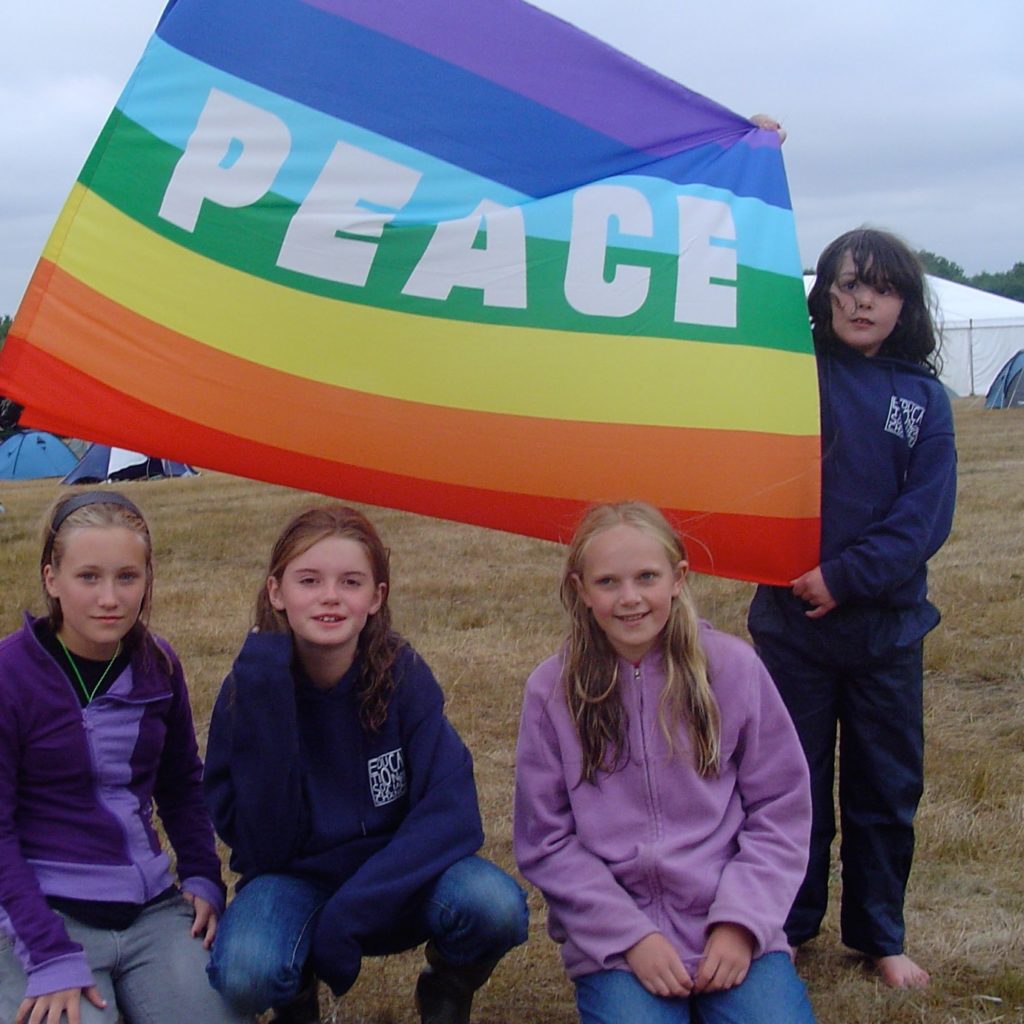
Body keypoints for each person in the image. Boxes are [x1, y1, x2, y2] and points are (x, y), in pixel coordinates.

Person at [203, 505, 528, 1024]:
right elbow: (261, 843)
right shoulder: (250, 689)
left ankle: (446, 991)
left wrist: (351, 913)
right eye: (308, 580)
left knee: (494, 906)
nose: (330, 596)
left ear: (375, 597)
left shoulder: (404, 675)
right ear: (276, 592)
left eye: (350, 581)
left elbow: (453, 815)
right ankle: (296, 996)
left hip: (399, 873)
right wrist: (270, 707)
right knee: (245, 971)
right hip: (293, 877)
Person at [748, 228, 957, 989]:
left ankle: (879, 935)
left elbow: (924, 518)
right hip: (791, 632)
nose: (861, 299)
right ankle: (787, 927)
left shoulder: (925, 398)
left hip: (886, 634)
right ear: (822, 292)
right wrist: (754, 154)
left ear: (904, 304)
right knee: (787, 784)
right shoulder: (789, 374)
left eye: (880, 287)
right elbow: (742, 298)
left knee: (885, 787)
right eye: (845, 283)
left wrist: (844, 576)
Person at [515, 501, 816, 1024]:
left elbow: (780, 810)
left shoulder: (734, 668)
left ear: (678, 579)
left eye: (646, 577)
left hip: (730, 921)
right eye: (607, 582)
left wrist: (741, 924)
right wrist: (631, 938)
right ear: (581, 590)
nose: (629, 598)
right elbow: (546, 841)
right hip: (618, 943)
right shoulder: (551, 690)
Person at [0, 491, 248, 1024]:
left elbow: (182, 784)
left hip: (150, 909)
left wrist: (204, 876)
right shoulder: (8, 674)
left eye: (127, 577)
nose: (110, 598)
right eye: (88, 577)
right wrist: (47, 953)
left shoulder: (158, 664)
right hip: (39, 913)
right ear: (51, 579)